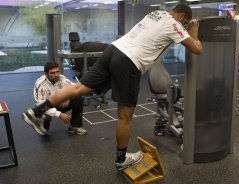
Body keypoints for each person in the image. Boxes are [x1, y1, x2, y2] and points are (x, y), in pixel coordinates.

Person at [22, 4, 202, 171]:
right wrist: (192, 33)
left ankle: (37, 111)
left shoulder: (156, 13)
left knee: (79, 88)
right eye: (185, 22)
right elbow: (197, 49)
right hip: (129, 62)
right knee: (125, 116)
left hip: (113, 50)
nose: (184, 25)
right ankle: (121, 159)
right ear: (182, 16)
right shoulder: (174, 23)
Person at [33, 62, 86, 136]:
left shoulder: (62, 78)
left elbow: (75, 89)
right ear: (46, 74)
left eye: (57, 72)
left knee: (78, 98)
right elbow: (40, 105)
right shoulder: (40, 84)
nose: (56, 75)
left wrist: (68, 97)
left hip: (60, 103)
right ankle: (44, 128)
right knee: (44, 116)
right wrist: (59, 114)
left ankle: (74, 126)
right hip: (45, 106)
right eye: (52, 73)